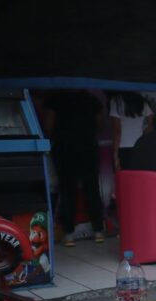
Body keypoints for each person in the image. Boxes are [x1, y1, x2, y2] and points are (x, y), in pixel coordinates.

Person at [42, 89, 106, 247]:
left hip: (65, 149)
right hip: (88, 148)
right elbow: (99, 123)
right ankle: (98, 231)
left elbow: (48, 125)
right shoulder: (90, 98)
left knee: (67, 190)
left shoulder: (56, 97)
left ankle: (69, 234)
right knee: (92, 189)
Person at [107, 91, 153, 171]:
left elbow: (117, 131)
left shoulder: (116, 102)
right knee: (138, 178)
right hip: (139, 147)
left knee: (124, 180)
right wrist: (142, 135)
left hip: (122, 148)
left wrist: (115, 155)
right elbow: (152, 124)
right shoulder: (142, 102)